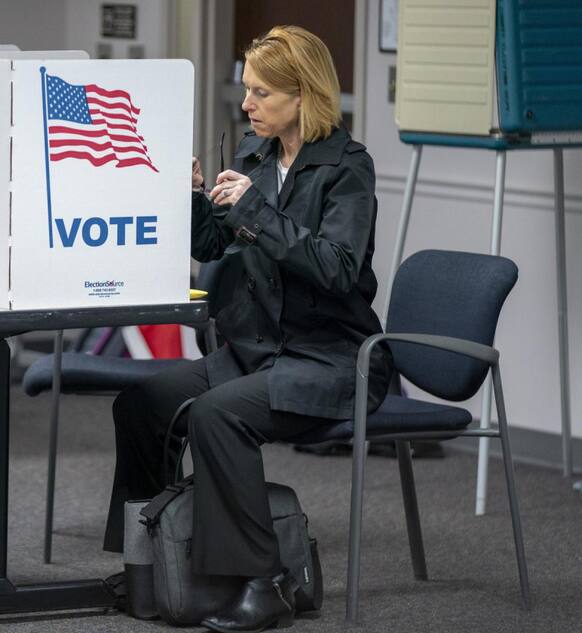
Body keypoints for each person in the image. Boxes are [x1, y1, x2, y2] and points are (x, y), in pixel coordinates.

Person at [103, 25, 394, 632]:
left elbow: (337, 271)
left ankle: (264, 583)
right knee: (143, 405)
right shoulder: (253, 154)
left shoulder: (348, 169)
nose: (247, 105)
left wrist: (255, 211)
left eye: (261, 93)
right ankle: (147, 556)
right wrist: (188, 198)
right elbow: (215, 242)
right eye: (247, 91)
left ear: (302, 95)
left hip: (331, 360)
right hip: (257, 351)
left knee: (216, 413)